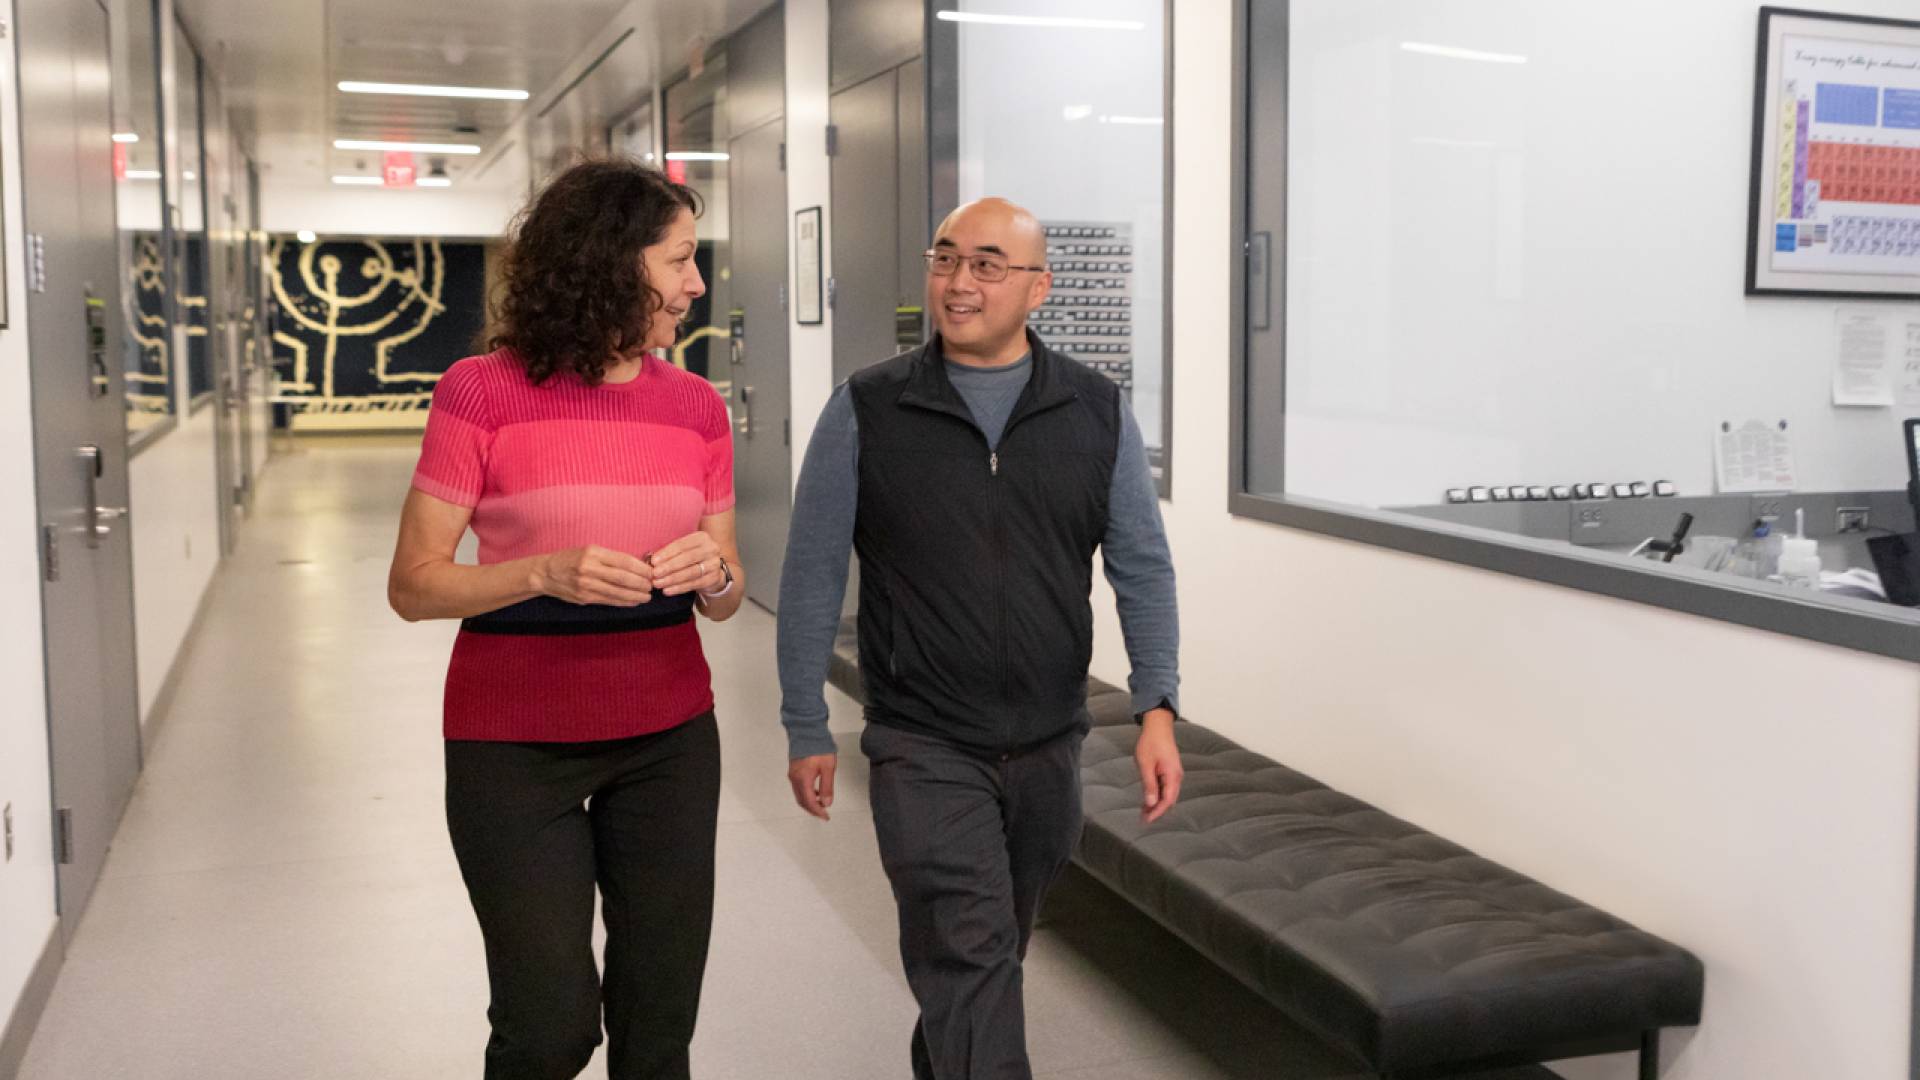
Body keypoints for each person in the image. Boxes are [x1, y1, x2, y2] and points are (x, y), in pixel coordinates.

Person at [776, 196, 1183, 1079]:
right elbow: (811, 572)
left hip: (1049, 745)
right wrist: (805, 719)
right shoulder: (867, 409)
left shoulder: (1095, 411)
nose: (961, 283)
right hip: (922, 740)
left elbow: (1142, 569)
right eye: (946, 258)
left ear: (1039, 287)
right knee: (968, 951)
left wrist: (1157, 706)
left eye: (990, 265)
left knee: (984, 954)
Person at [387, 158, 744, 1080]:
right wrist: (540, 572)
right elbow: (415, 584)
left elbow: (729, 588)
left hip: (670, 737)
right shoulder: (480, 391)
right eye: (678, 261)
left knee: (657, 1029)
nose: (695, 284)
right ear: (608, 264)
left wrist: (716, 574)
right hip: (512, 743)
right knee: (549, 1028)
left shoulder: (699, 407)